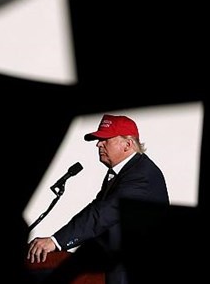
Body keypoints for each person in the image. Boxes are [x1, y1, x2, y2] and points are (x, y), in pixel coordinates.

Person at [27, 114, 170, 284]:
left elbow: (101, 215)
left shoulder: (142, 175)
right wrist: (57, 240)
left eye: (106, 139)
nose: (98, 144)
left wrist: (55, 242)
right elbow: (95, 208)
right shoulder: (124, 172)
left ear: (128, 144)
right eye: (98, 140)